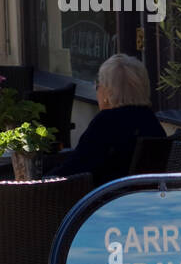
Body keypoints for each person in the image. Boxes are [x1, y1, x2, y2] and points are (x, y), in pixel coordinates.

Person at [61, 53, 166, 186]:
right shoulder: (150, 119)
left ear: (107, 92)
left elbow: (75, 167)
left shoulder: (106, 122)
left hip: (104, 200)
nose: (96, 89)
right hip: (145, 199)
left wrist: (41, 180)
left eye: (98, 84)